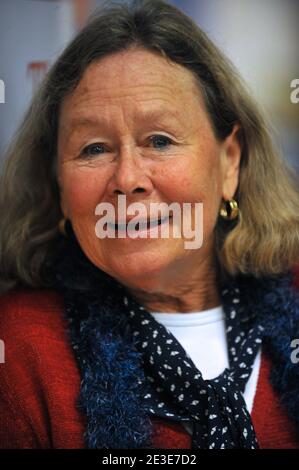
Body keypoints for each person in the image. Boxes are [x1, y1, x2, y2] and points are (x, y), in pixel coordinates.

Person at [0, 0, 299, 450]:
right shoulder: (20, 354)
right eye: (94, 149)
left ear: (229, 161)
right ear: (59, 184)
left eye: (160, 140)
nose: (128, 180)